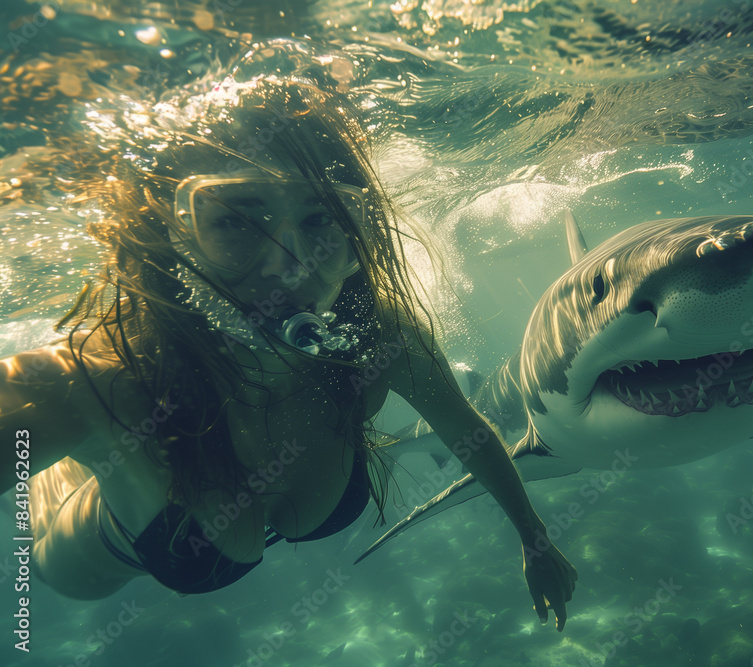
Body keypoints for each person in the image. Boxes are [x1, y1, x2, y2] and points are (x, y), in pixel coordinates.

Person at [0, 67, 577, 630]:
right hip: (82, 559)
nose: (291, 264)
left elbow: (464, 428)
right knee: (42, 537)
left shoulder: (379, 341)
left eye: (322, 216)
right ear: (172, 238)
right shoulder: (98, 386)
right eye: (234, 221)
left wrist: (535, 538)